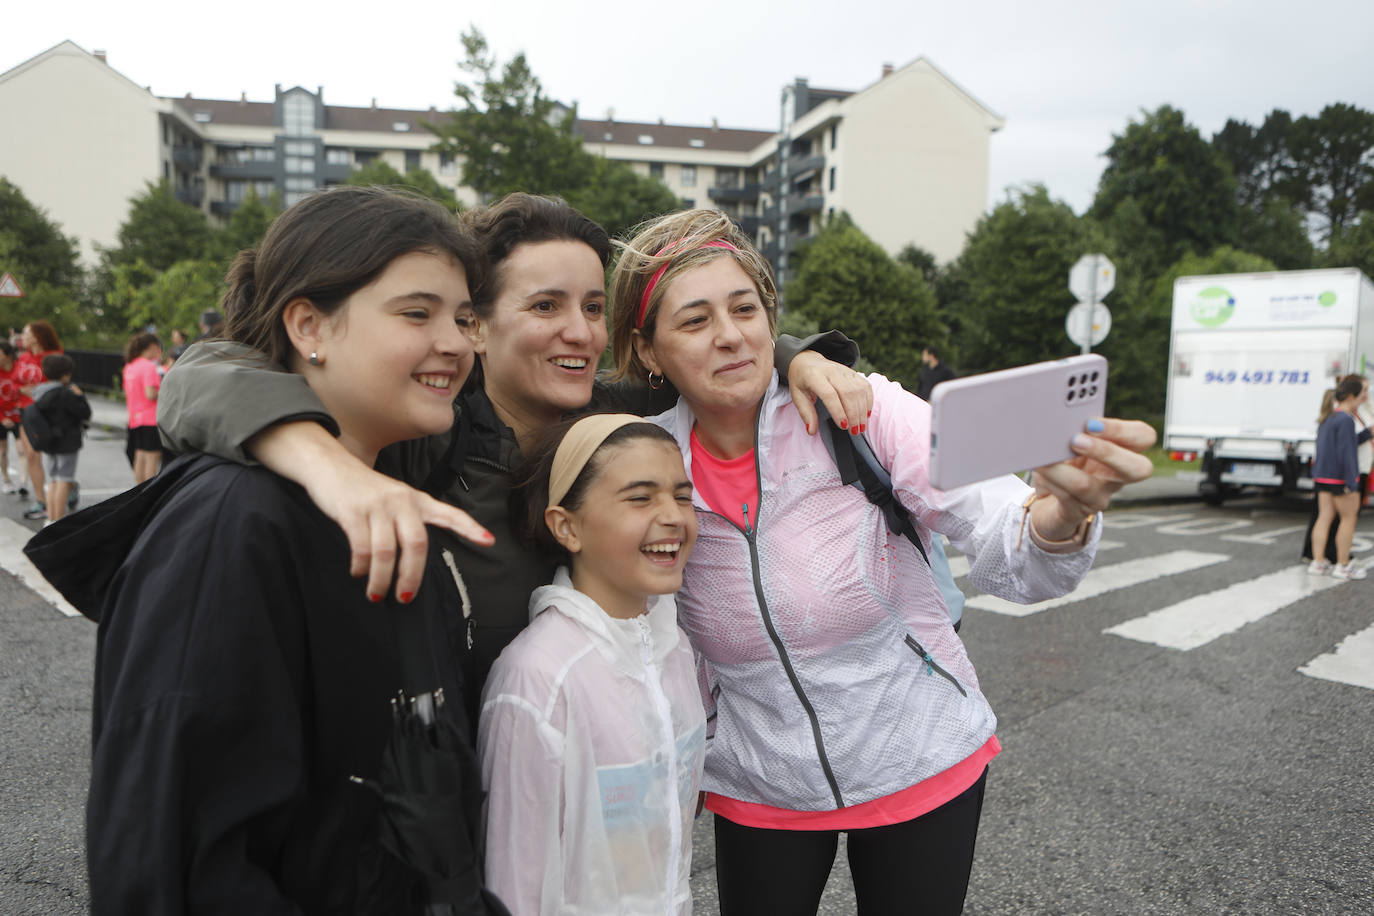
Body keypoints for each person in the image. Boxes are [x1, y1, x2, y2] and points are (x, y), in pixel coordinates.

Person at [607, 208, 1155, 914]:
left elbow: (1004, 539)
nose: (730, 335)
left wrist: (1064, 512)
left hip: (921, 755)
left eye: (745, 308)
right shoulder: (643, 460)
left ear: (771, 316)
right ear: (648, 351)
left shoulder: (863, 410)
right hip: (756, 781)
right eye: (694, 321)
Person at [157, 192, 870, 702]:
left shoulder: (618, 420)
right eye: (544, 306)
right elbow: (200, 376)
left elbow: (712, 346)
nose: (582, 334)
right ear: (477, 325)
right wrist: (325, 464)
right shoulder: (424, 433)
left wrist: (794, 355)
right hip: (448, 802)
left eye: (593, 308)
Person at [26, 186, 498, 914]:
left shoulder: (395, 479)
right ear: (309, 323)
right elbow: (174, 865)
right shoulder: (231, 526)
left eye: (465, 318)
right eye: (417, 312)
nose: (458, 341)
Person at [480, 414, 706, 914]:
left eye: (682, 495)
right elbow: (514, 883)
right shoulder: (538, 676)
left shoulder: (675, 647)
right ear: (567, 526)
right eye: (640, 497)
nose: (673, 515)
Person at [1306, 374, 1371, 580]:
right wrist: (1352, 481)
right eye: (1363, 392)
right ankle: (1342, 565)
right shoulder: (1346, 420)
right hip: (1340, 480)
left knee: (1324, 518)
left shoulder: (1329, 416)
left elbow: (1330, 448)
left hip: (1323, 478)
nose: (1365, 396)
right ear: (1352, 395)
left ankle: (1318, 562)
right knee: (1348, 519)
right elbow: (1347, 453)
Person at [21, 353, 89, 524]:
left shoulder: (40, 393)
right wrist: (80, 396)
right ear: (66, 374)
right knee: (64, 480)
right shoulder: (66, 394)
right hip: (67, 442)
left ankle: (51, 518)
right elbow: (85, 413)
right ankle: (57, 520)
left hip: (50, 442)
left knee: (54, 480)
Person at [14, 319, 63, 518]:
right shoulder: (23, 358)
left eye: (26, 333)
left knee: (55, 455)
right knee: (32, 455)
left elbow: (61, 383)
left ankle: (67, 485)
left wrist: (35, 391)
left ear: (37, 336)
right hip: (27, 411)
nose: (22, 337)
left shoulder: (53, 357)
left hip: (49, 412)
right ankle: (41, 501)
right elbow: (15, 381)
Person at [122, 332, 164, 483]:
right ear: (152, 347)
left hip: (134, 419)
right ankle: (149, 496)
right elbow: (150, 394)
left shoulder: (130, 366)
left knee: (139, 458)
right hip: (150, 419)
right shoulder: (148, 366)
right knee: (151, 460)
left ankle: (138, 493)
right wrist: (166, 391)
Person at [0, 341, 21, 493]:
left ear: (7, 355)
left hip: (18, 417)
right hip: (2, 418)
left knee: (23, 450)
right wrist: (2, 418)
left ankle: (24, 482)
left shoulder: (19, 369)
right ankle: (6, 479)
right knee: (2, 451)